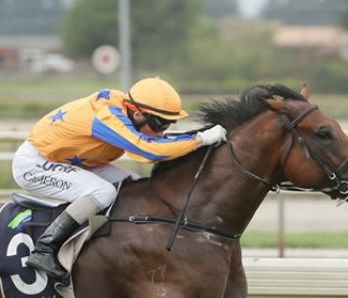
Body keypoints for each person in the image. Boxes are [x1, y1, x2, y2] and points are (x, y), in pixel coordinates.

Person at [12, 76, 227, 282]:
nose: (162, 132)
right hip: (35, 163)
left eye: (168, 125)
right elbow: (149, 149)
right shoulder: (107, 116)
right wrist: (199, 140)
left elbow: (154, 143)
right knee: (103, 192)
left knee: (137, 186)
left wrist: (198, 139)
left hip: (76, 162)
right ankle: (45, 248)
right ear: (136, 113)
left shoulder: (126, 111)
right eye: (159, 124)